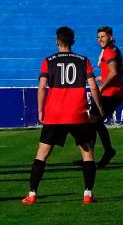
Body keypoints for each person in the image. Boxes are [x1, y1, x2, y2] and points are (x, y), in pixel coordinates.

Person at [21, 26, 104, 205]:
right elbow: (93, 86)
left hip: (55, 113)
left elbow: (42, 86)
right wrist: (100, 108)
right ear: (73, 41)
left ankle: (32, 194)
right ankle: (88, 194)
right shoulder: (83, 60)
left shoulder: (48, 61)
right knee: (87, 153)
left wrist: (41, 109)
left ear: (57, 41)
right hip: (78, 112)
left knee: (42, 154)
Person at [90, 26, 123, 168]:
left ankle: (104, 152)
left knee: (93, 122)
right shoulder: (113, 50)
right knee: (93, 122)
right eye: (98, 37)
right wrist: (96, 78)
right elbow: (114, 72)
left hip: (110, 93)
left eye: (103, 36)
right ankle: (90, 158)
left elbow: (114, 72)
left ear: (110, 37)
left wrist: (101, 87)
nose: (100, 40)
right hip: (112, 92)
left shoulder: (109, 52)